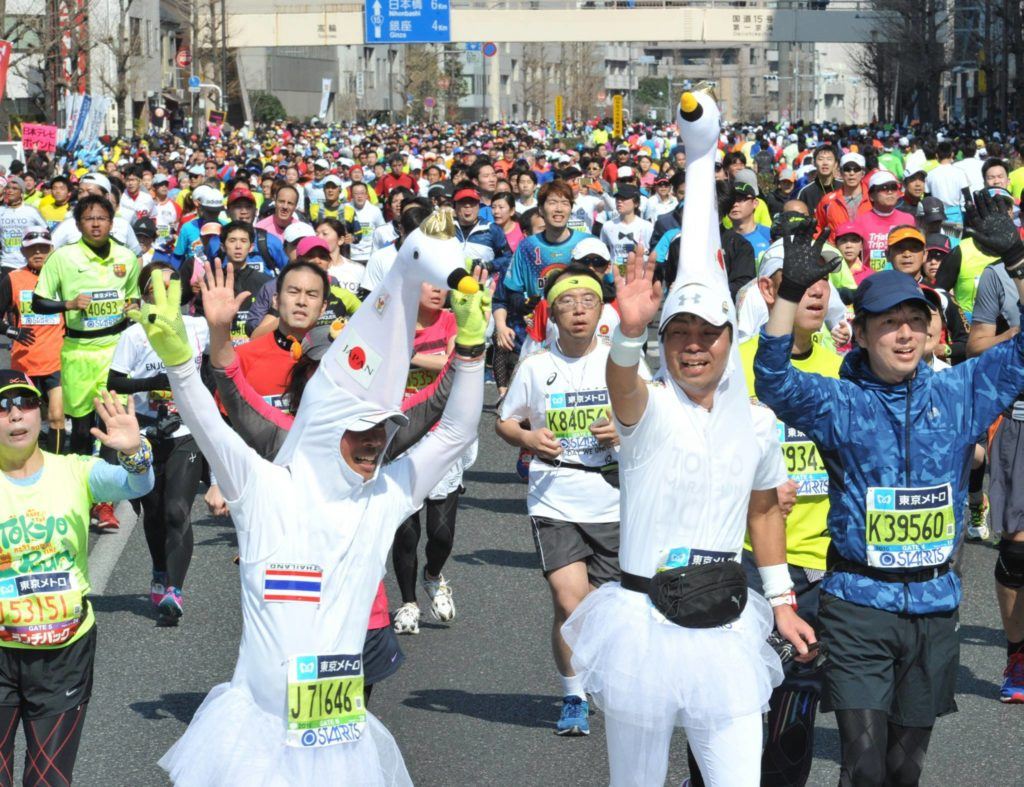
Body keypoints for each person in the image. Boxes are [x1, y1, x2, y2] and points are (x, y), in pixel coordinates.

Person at [134, 210, 484, 786]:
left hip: (340, 738)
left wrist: (468, 354)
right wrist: (177, 360)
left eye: (383, 430)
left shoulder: (386, 495)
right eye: (362, 430)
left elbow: (455, 433)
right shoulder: (263, 486)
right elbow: (208, 425)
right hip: (254, 737)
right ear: (324, 430)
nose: (376, 441)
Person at [563, 90, 812, 787]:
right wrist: (631, 330)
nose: (695, 348)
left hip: (727, 624)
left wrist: (783, 598)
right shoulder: (651, 409)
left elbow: (765, 509)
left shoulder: (758, 420)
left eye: (708, 334)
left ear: (732, 339)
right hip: (644, 623)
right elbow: (625, 388)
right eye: (681, 336)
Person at [754, 190, 1024, 786]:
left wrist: (1018, 262)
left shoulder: (960, 393)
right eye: (888, 324)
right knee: (866, 770)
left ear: (930, 332)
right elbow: (771, 379)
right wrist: (791, 296)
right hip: (857, 607)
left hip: (934, 610)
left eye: (914, 322)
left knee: (905, 775)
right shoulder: (841, 403)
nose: (903, 335)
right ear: (865, 334)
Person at [0, 372, 153, 786]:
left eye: (24, 402)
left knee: (47, 780)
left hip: (63, 653)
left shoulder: (76, 470)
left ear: (40, 413)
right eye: (2, 406)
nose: (15, 414)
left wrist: (135, 451)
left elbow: (138, 484)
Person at [497, 265, 628, 737]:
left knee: (602, 609)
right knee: (571, 603)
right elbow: (505, 422)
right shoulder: (535, 366)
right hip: (554, 496)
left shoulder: (621, 361)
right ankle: (574, 696)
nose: (578, 310)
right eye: (568, 303)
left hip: (611, 499)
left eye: (587, 302)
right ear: (552, 313)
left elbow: (653, 414)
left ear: (601, 311)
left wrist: (624, 430)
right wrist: (529, 437)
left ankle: (593, 675)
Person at [32, 194, 142, 530]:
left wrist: (132, 307)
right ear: (78, 223)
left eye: (102, 218)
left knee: (112, 425)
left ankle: (105, 503)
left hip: (115, 348)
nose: (96, 223)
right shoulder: (63, 258)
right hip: (79, 351)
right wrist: (68, 304)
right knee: (80, 430)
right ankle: (79, 493)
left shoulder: (126, 257)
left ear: (112, 221)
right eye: (89, 218)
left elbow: (134, 297)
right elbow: (38, 303)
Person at [109, 261, 209, 625]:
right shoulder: (135, 333)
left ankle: (174, 592)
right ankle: (159, 569)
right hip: (146, 434)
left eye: (172, 286)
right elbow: (115, 381)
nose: (165, 293)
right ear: (145, 293)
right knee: (152, 513)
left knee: (176, 511)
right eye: (156, 287)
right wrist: (152, 386)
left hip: (187, 433)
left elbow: (224, 362)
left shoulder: (198, 328)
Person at [391, 280, 474, 634]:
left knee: (441, 534)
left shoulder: (452, 321)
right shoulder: (395, 323)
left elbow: (454, 363)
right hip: (400, 436)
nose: (438, 291)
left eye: (443, 285)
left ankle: (433, 575)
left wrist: (409, 356)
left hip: (442, 435)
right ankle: (408, 602)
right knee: (406, 532)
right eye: (428, 284)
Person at [852, 170, 917, 272]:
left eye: (893, 188)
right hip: (871, 281)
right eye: (884, 188)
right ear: (871, 196)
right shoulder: (860, 221)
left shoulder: (908, 219)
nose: (890, 192)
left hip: (900, 279)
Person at [0, 177, 47, 274]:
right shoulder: (1, 211)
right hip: (6, 263)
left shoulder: (31, 211)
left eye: (14, 188)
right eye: (8, 188)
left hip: (27, 263)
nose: (10, 191)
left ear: (21, 192)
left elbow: (46, 232)